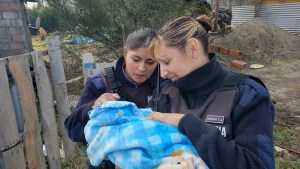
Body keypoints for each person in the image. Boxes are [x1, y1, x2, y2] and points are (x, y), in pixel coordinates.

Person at [146, 16, 275, 169]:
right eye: (158, 63)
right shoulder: (165, 91)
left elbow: (257, 165)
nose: (162, 74)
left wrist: (188, 123)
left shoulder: (247, 94)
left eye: (166, 62)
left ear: (192, 48)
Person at [64, 27, 159, 169]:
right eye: (136, 59)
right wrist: (93, 105)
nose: (141, 68)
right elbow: (72, 130)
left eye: (150, 62)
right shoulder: (100, 83)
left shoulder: (164, 84)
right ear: (125, 53)